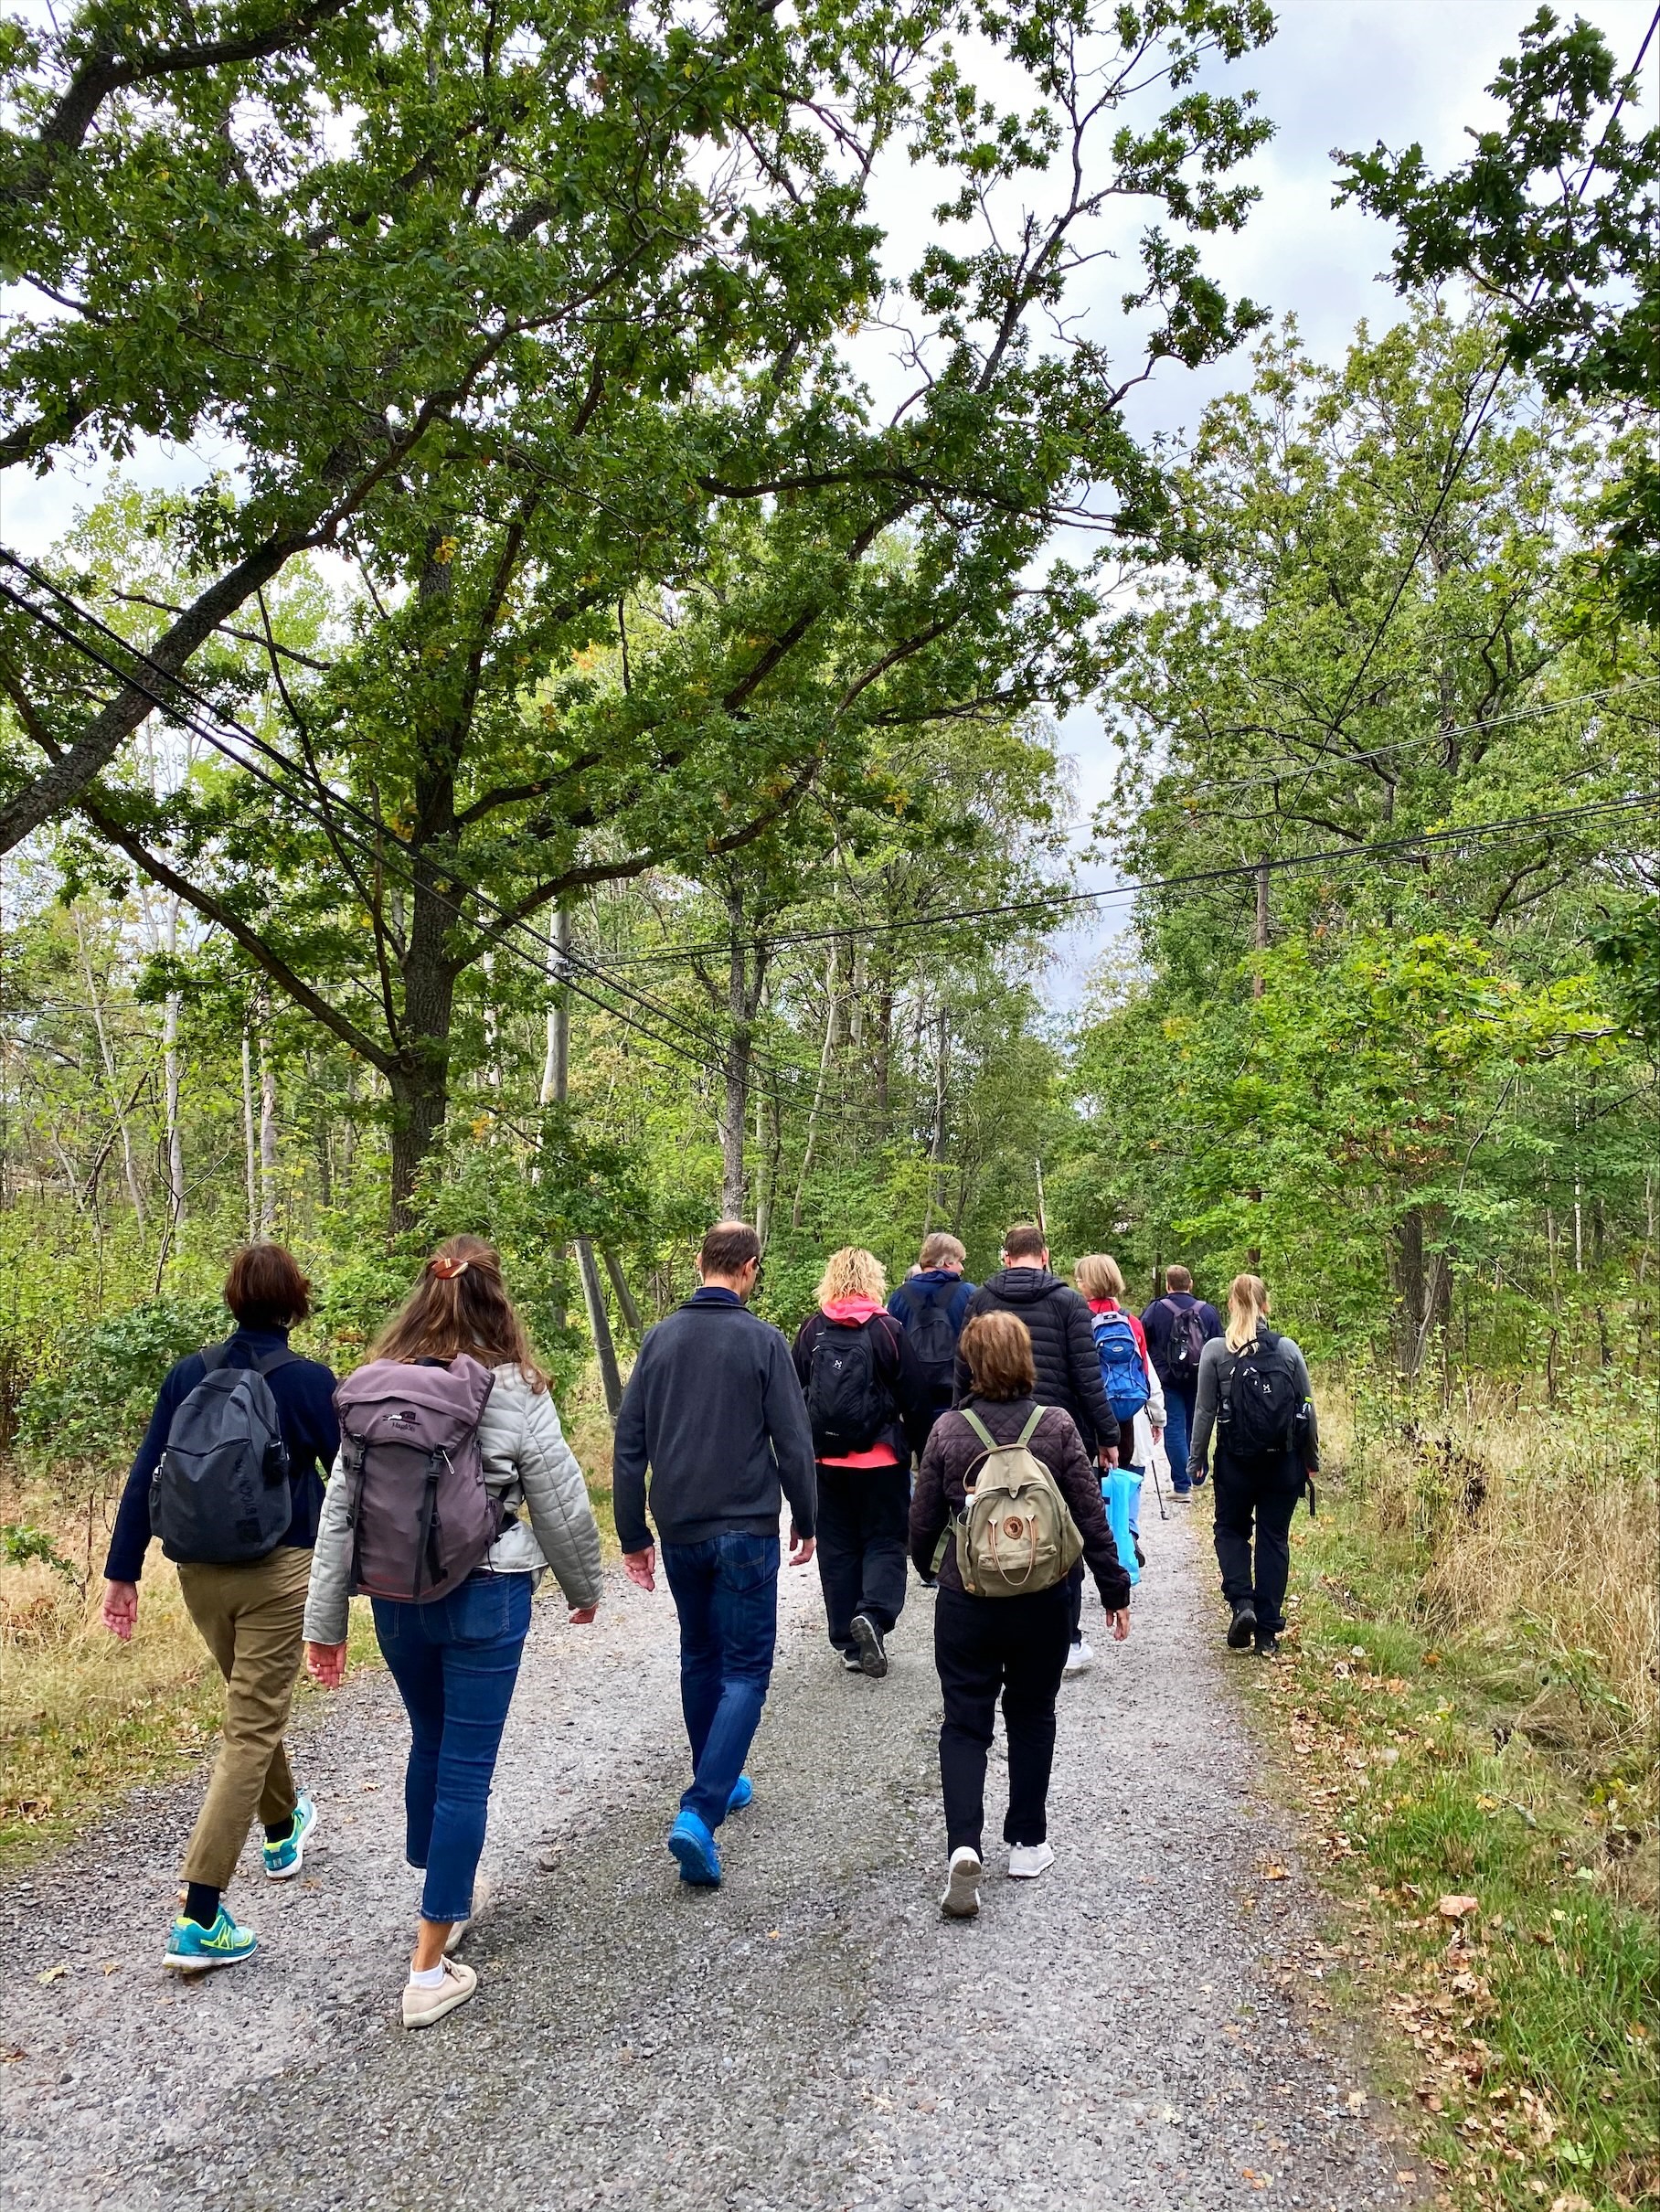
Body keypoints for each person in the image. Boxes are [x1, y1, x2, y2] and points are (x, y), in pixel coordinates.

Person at [303, 1235, 602, 2029]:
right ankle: (428, 1970)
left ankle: (443, 1880)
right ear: (496, 1299)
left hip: (395, 1597)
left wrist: (324, 1623)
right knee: (467, 1771)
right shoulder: (514, 1387)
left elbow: (340, 1510)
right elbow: (560, 1500)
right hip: (488, 1593)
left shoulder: (374, 1387)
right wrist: (584, 1587)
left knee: (430, 1741)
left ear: (422, 1298)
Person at [101, 1243, 340, 1973]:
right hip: (279, 1572)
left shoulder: (189, 1374)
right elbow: (352, 1485)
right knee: (250, 1727)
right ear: (295, 1301)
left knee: (249, 1710)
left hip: (198, 1571)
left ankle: (283, 1827)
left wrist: (122, 1571)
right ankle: (198, 1915)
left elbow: (148, 1471)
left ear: (233, 1298)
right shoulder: (308, 1381)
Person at [612, 1220, 817, 1889]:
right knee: (746, 1670)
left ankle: (717, 1776)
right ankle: (700, 1810)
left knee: (700, 1654)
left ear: (700, 1262)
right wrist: (806, 1518)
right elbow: (793, 1440)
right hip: (746, 1527)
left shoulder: (659, 1339)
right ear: (750, 1268)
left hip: (681, 1528)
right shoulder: (762, 1341)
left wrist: (633, 1534)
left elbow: (629, 1443)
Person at [911, 1312, 1131, 1919]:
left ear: (970, 1364)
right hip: (1044, 1599)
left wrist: (931, 1568)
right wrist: (1114, 1588)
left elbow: (922, 1522)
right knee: (1033, 1713)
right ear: (1026, 1359)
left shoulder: (949, 1431)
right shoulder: (1055, 1426)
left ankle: (963, 1846)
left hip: (969, 1599)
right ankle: (1028, 1844)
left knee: (964, 1723)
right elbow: (1089, 1514)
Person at [955, 1224, 1119, 1676]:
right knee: (1064, 1530)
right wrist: (1107, 1436)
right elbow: (1088, 1377)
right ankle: (1067, 1637)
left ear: (1006, 1257)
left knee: (993, 1525)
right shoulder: (1069, 1302)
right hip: (1054, 1433)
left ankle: (995, 1625)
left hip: (987, 1435)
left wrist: (956, 1424)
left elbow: (962, 1370)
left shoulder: (981, 1299)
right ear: (1044, 1256)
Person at [793, 1248, 932, 1678]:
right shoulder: (887, 1330)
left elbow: (794, 1392)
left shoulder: (812, 1329)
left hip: (826, 1460)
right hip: (881, 1460)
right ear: (873, 1280)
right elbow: (915, 1398)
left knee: (837, 1547)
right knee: (885, 1540)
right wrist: (925, 1454)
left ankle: (848, 1643)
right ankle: (872, 1614)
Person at [1186, 1272, 1319, 1660]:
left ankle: (1242, 1603)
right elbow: (1307, 1408)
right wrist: (1310, 1461)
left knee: (1230, 1530)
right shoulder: (1287, 1350)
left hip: (1236, 1463)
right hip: (1283, 1464)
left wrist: (1196, 1459)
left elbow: (1204, 1411)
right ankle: (1267, 1633)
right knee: (1274, 1539)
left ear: (1230, 1305)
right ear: (1265, 1306)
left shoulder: (1215, 1351)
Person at [1073, 1253, 1165, 1555]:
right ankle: (1127, 1533)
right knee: (1127, 1473)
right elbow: (1145, 1373)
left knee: (1091, 1479)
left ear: (1088, 1283)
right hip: (1128, 1415)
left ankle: (1098, 1539)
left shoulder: (1077, 1320)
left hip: (1089, 1414)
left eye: (1080, 1279)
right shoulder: (1131, 1322)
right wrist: (1157, 1418)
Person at [1140, 1264, 1222, 1498]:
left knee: (1174, 1427)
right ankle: (1197, 1475)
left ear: (1168, 1285)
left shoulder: (1156, 1310)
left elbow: (1142, 1341)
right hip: (1202, 1379)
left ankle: (1182, 1485)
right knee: (1197, 1427)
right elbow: (1220, 1345)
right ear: (1190, 1284)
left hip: (1168, 1380)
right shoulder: (1208, 1311)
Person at [887, 1232, 977, 1430]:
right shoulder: (969, 1294)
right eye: (959, 1261)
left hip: (913, 1402)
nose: (962, 1268)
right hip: (959, 1400)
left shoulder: (899, 1297)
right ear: (946, 1262)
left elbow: (891, 1351)